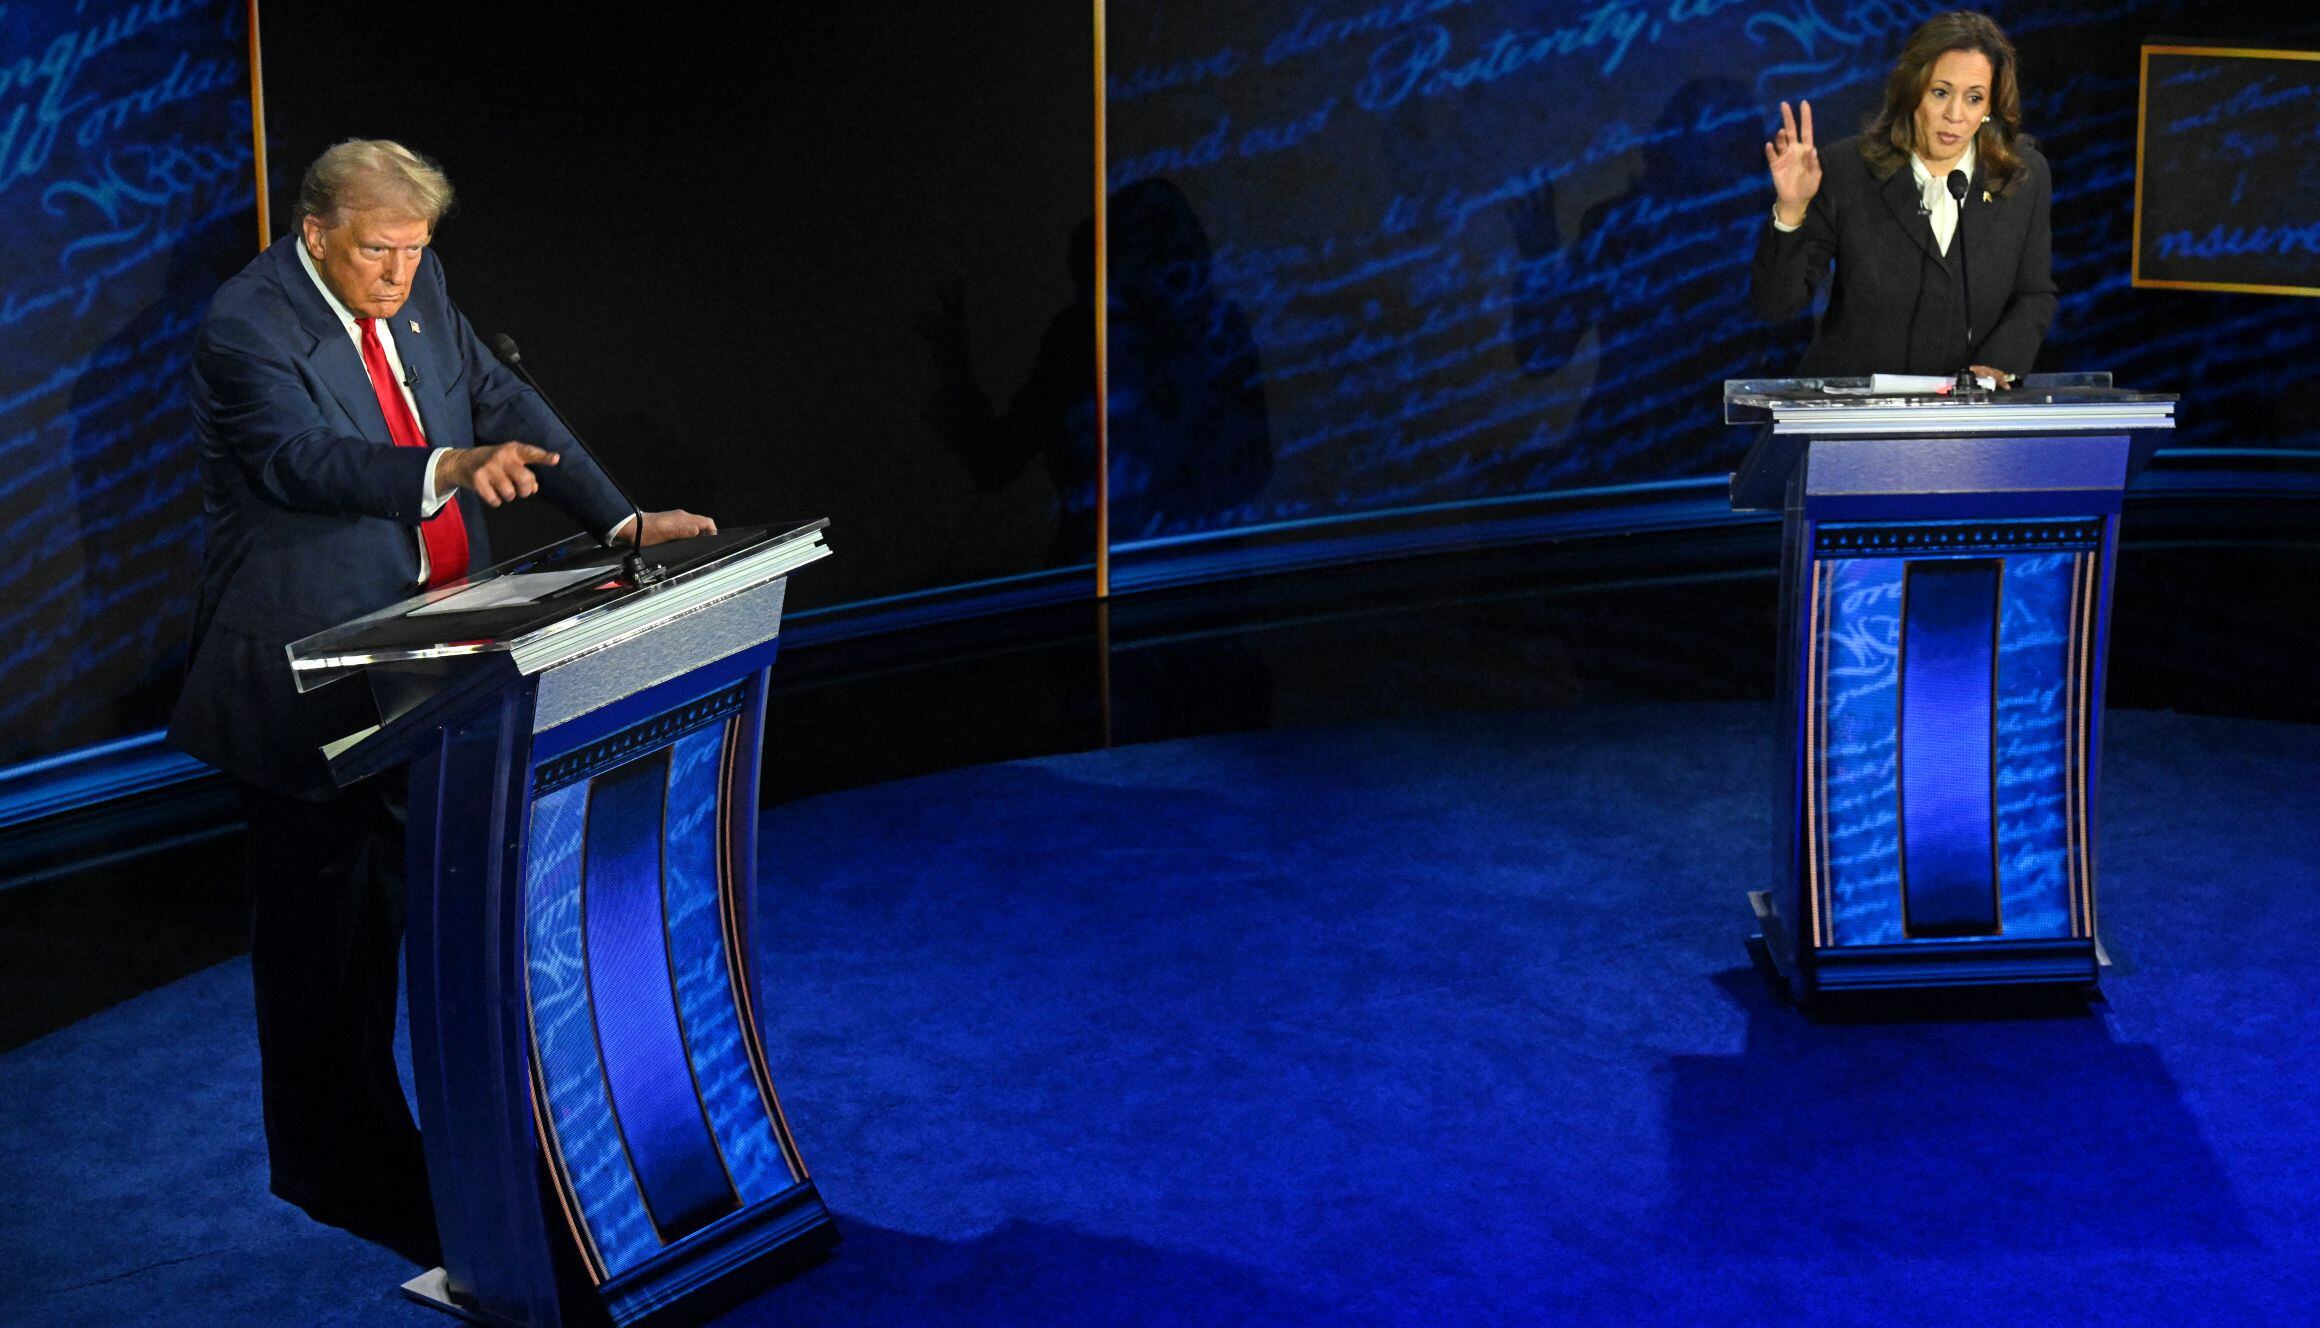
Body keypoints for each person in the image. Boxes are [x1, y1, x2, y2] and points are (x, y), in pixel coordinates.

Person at [169, 139, 713, 1264]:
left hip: (438, 660)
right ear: (314, 231)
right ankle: (337, 1165)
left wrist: (617, 519)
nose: (400, 275)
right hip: (305, 676)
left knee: (445, 910)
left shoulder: (421, 287)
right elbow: (301, 459)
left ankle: (476, 1151)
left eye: (416, 250)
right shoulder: (247, 323)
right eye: (379, 250)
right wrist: (444, 468)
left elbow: (501, 393)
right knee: (331, 948)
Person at [1750, 10, 2056, 387]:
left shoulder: (2022, 176)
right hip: (1855, 412)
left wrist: (1996, 366)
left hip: (1966, 419)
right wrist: (1793, 210)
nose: (1955, 115)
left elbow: (2034, 294)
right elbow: (1776, 306)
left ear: (1990, 106)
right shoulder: (1848, 170)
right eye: (1940, 93)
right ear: (1912, 91)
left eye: (1974, 98)